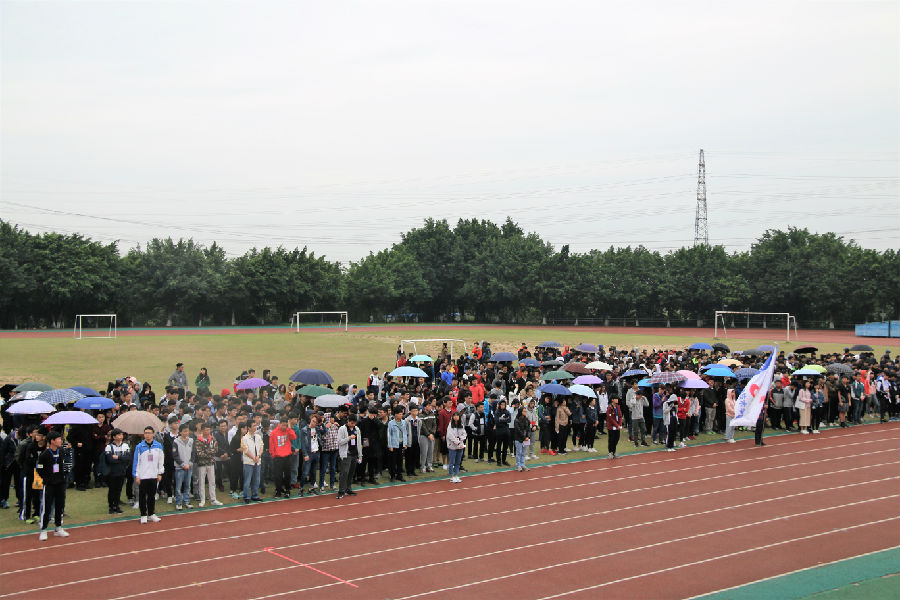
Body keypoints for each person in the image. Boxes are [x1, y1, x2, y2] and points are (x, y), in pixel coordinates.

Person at [36, 431, 69, 541]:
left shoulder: (61, 451)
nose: (60, 440)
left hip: (60, 483)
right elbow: (40, 470)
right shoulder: (44, 455)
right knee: (47, 507)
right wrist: (47, 479)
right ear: (52, 441)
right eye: (58, 439)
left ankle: (58, 527)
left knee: (60, 506)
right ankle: (43, 529)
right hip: (49, 485)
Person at [132, 426, 164, 524]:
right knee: (142, 496)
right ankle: (143, 515)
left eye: (149, 433)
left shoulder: (158, 446)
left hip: (154, 475)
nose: (147, 435)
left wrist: (160, 473)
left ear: (153, 434)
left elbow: (161, 461)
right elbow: (136, 462)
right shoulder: (139, 447)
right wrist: (137, 475)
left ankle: (151, 514)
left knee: (151, 495)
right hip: (143, 475)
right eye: (146, 433)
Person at [194, 422, 221, 507]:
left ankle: (213, 499)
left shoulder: (212, 439)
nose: (207, 431)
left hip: (211, 463)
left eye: (209, 430)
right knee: (201, 482)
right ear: (202, 430)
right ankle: (202, 500)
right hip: (202, 464)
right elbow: (199, 453)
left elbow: (215, 450)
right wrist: (209, 452)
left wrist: (207, 452)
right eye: (206, 430)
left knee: (212, 481)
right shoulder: (198, 440)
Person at [104, 429, 131, 514]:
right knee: (112, 489)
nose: (121, 436)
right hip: (112, 472)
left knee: (119, 489)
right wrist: (121, 459)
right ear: (114, 437)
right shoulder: (109, 447)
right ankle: (111, 506)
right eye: (119, 435)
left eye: (121, 435)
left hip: (122, 471)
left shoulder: (125, 446)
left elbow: (128, 458)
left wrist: (118, 457)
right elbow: (110, 459)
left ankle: (116, 505)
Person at [268, 419, 297, 498]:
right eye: (283, 425)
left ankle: (287, 490)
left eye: (286, 425)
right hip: (278, 457)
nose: (284, 427)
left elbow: (294, 437)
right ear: (279, 424)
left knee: (288, 475)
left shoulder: (288, 431)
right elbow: (271, 445)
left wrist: (289, 428)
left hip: (287, 456)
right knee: (278, 475)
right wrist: (273, 455)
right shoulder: (274, 432)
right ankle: (278, 490)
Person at [337, 414, 362, 499]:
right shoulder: (342, 429)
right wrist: (349, 438)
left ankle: (348, 488)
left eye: (354, 423)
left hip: (354, 453)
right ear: (348, 421)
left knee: (351, 472)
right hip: (346, 453)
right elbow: (339, 442)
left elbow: (359, 442)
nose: (353, 425)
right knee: (344, 472)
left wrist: (360, 455)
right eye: (351, 423)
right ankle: (341, 490)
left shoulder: (357, 429)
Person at [241, 420, 264, 503]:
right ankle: (246, 496)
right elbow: (245, 450)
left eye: (255, 425)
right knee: (247, 480)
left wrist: (258, 456)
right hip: (248, 462)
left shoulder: (258, 437)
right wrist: (253, 457)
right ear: (249, 428)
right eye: (253, 426)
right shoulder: (244, 438)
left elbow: (261, 447)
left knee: (257, 480)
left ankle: (255, 495)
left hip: (257, 461)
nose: (255, 427)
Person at [172, 424, 194, 510]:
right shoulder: (176, 441)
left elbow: (193, 453)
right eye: (184, 431)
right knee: (178, 486)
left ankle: (187, 501)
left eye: (187, 431)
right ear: (180, 432)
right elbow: (175, 455)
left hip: (189, 467)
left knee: (187, 485)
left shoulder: (191, 441)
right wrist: (183, 464)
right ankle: (178, 502)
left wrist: (190, 463)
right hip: (179, 468)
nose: (186, 433)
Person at [299, 415, 320, 496]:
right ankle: (301, 488)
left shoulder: (317, 429)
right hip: (309, 453)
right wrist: (305, 454)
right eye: (312, 420)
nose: (313, 423)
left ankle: (311, 488)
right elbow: (303, 443)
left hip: (316, 452)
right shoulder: (304, 430)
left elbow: (325, 431)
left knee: (314, 472)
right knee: (305, 472)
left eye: (315, 422)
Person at [386, 407, 407, 482]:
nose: (401, 415)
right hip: (394, 445)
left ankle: (399, 475)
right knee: (393, 461)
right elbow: (389, 435)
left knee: (400, 461)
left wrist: (405, 443)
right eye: (400, 414)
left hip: (401, 444)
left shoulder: (403, 422)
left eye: (402, 414)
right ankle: (392, 476)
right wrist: (390, 445)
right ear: (396, 415)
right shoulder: (391, 423)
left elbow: (405, 433)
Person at [446, 411, 467, 483]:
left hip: (460, 446)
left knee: (458, 462)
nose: (456, 417)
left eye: (457, 416)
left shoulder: (461, 425)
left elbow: (464, 434)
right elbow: (450, 436)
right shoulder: (450, 425)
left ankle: (456, 475)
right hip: (452, 445)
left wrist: (461, 440)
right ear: (452, 417)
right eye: (454, 416)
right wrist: (457, 442)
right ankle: (451, 476)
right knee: (452, 462)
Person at [512, 407, 532, 472]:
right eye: (524, 411)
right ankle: (518, 465)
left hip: (525, 439)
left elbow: (528, 429)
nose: (525, 413)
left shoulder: (526, 420)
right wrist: (524, 437)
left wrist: (528, 436)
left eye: (526, 411)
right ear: (521, 412)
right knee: (518, 452)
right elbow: (518, 430)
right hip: (518, 438)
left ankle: (523, 464)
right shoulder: (516, 420)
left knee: (523, 452)